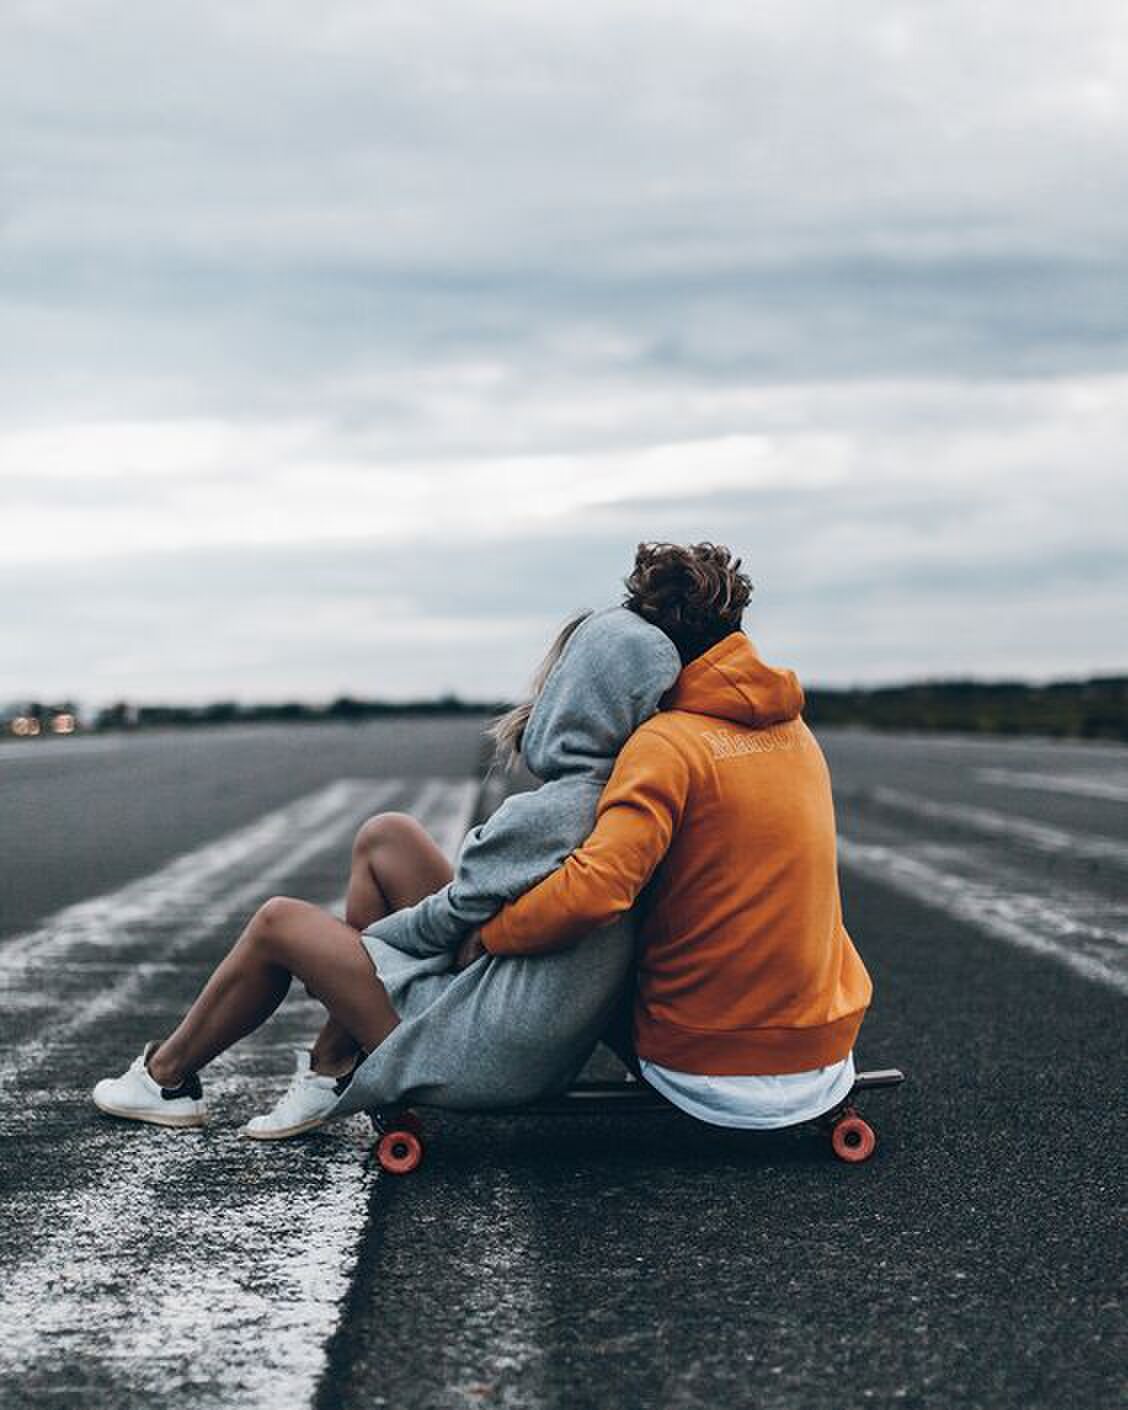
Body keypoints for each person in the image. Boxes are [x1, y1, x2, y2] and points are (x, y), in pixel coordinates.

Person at [91, 606, 681, 1134]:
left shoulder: (555, 812)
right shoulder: (621, 795)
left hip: (484, 1054)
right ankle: (333, 1065)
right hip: (528, 1032)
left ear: (573, 698)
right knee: (387, 837)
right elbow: (467, 915)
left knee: (279, 924)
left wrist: (346, 957)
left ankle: (166, 1078)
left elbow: (450, 919)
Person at [478, 542, 873, 1130]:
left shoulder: (665, 744)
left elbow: (594, 893)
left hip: (705, 1064)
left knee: (598, 935)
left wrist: (490, 936)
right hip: (824, 1054)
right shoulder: (797, 732)